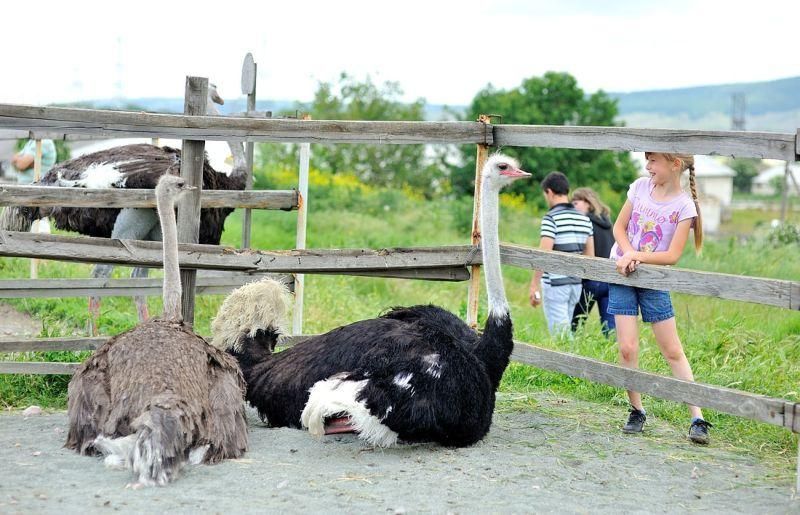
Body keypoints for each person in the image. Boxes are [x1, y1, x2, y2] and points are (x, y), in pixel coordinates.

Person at [608, 152, 711, 444]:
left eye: (653, 161)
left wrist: (636, 256)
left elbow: (672, 255)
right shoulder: (640, 187)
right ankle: (636, 410)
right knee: (627, 348)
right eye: (647, 160)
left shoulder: (684, 206)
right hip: (622, 274)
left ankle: (697, 416)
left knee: (672, 350)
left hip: (653, 280)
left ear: (674, 164)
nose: (647, 166)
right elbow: (619, 227)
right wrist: (628, 254)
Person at [529, 171, 594, 336]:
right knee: (566, 331)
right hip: (575, 285)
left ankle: (571, 362)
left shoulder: (551, 218)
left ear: (549, 192)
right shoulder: (585, 219)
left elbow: (544, 255)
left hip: (555, 284)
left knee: (561, 336)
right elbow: (590, 257)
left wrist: (534, 286)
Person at [570, 187, 616, 337]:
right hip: (609, 279)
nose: (573, 206)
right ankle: (614, 356)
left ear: (588, 203)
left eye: (576, 203)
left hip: (590, 279)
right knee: (610, 329)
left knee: (575, 324)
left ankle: (569, 352)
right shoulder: (608, 223)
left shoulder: (585, 222)